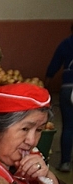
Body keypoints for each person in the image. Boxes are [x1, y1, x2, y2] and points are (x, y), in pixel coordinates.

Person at [45, 24, 73, 173]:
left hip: (68, 89)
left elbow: (54, 65)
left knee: (68, 126)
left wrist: (46, 85)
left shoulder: (66, 43)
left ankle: (65, 162)